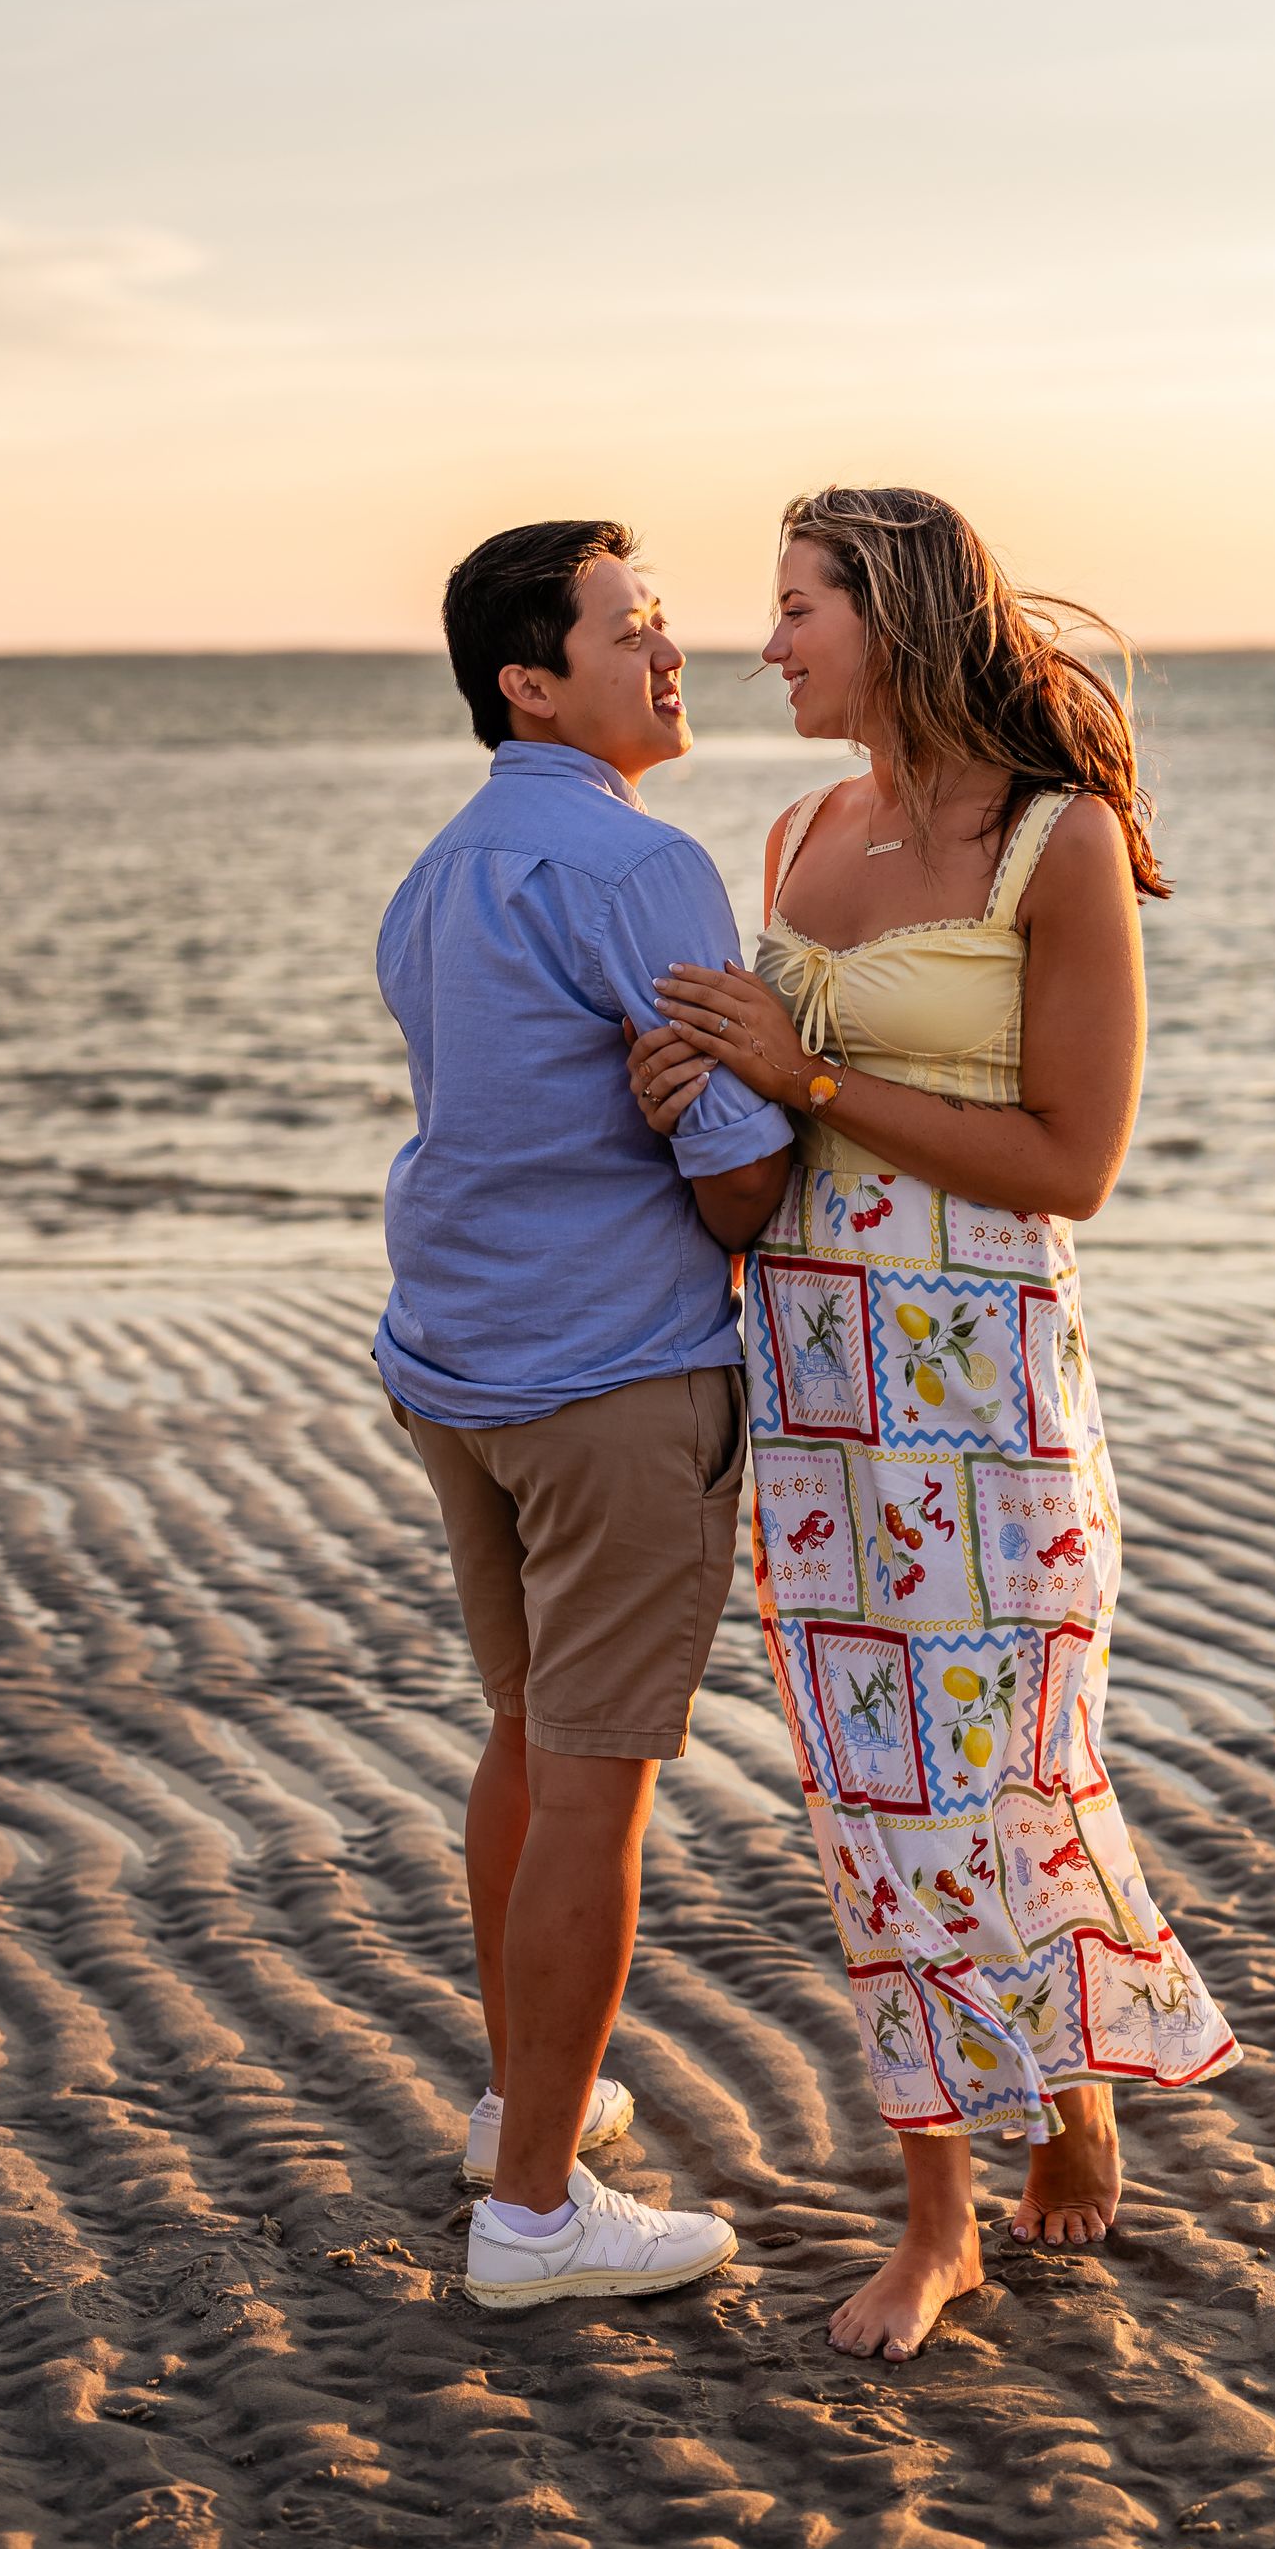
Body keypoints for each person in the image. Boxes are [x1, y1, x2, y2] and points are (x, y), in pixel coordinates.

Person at [628, 486, 1237, 2360]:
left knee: (1009, 1764)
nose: (768, 641)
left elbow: (1078, 1161)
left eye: (798, 604)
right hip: (813, 1385)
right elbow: (763, 1129)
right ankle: (944, 2210)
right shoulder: (798, 828)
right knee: (874, 1794)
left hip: (983, 1387)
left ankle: (1072, 2098)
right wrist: (696, 1098)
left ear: (890, 616)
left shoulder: (1053, 844)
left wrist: (804, 1069)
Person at [373, 518, 792, 2310]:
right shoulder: (638, 868)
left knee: (532, 1738)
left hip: (457, 1369)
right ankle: (537, 2210)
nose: (672, 653)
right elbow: (743, 1195)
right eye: (633, 631)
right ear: (528, 680)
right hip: (608, 1382)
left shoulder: (442, 874)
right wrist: (778, 1088)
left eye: (667, 623)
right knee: (597, 1783)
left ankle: (516, 2113)